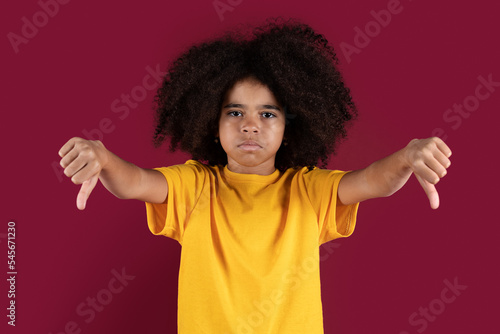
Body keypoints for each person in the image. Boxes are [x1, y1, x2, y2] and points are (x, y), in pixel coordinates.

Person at [57, 17, 452, 334]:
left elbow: (370, 181)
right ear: (212, 123)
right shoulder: (194, 186)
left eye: (267, 113)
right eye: (234, 112)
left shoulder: (308, 189)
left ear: (288, 128)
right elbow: (136, 182)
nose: (250, 125)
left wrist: (406, 158)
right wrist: (104, 160)